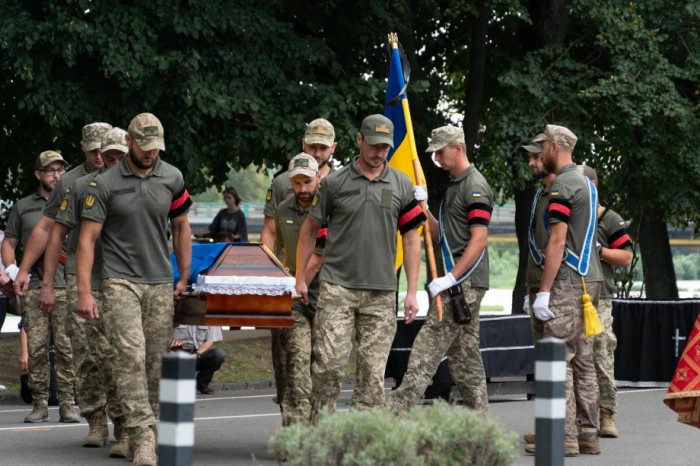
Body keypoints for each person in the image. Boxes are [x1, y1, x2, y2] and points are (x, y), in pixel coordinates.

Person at [77, 113, 192, 466]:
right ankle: (143, 439)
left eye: (156, 148)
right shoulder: (105, 183)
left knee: (154, 363)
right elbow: (87, 240)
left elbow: (182, 228)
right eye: (145, 148)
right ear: (129, 141)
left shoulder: (172, 177)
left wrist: (184, 277)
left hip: (159, 281)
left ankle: (144, 432)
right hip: (119, 281)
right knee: (129, 359)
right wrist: (84, 291)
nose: (151, 154)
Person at [295, 114, 424, 423]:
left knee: (372, 378)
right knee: (327, 368)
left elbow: (411, 238)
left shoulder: (401, 184)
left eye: (386, 147)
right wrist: (300, 277)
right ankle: (320, 438)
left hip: (381, 292)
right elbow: (310, 231)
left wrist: (411, 291)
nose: (380, 153)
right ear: (359, 140)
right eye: (375, 145)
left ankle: (361, 444)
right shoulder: (335, 183)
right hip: (337, 287)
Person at [385, 125, 493, 413]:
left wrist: (450, 278)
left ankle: (392, 412)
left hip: (462, 284)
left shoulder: (475, 186)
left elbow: (479, 239)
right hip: (458, 283)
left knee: (426, 350)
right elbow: (438, 236)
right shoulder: (456, 185)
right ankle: (479, 422)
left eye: (441, 151)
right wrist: (424, 208)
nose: (436, 158)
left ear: (458, 147)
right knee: (464, 357)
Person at [524, 124, 604, 456]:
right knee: (583, 360)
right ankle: (588, 434)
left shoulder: (560, 187)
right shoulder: (585, 182)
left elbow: (557, 242)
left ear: (554, 147)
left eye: (542, 147)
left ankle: (562, 437)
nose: (539, 154)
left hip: (565, 282)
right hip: (589, 279)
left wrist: (543, 291)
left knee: (558, 360)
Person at [49, 128, 129, 455]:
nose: (101, 158)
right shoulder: (78, 185)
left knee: (122, 355)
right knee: (85, 354)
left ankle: (126, 425)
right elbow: (56, 234)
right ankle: (96, 419)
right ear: (85, 150)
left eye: (108, 153)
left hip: (123, 280)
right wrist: (49, 284)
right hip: (85, 280)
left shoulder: (137, 186)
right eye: (97, 152)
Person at [260, 118, 337, 419]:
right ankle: (293, 423)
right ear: (303, 144)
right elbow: (270, 233)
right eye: (312, 146)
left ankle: (318, 427)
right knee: (289, 360)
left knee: (325, 363)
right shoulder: (281, 185)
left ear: (332, 148)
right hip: (290, 285)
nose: (317, 152)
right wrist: (267, 281)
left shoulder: (339, 186)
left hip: (326, 287)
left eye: (323, 147)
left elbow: (320, 255)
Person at [1, 150, 79, 423]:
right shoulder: (23, 207)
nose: (56, 175)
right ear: (38, 174)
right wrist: (13, 272)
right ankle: (40, 404)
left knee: (67, 349)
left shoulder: (73, 201)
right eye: (50, 170)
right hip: (34, 287)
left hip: (67, 284)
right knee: (35, 349)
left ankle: (68, 405)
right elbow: (8, 244)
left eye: (60, 170)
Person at [580, 165, 632, 439]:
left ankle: (607, 413)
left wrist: (600, 250)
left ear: (593, 186)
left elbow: (625, 258)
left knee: (601, 352)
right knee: (573, 358)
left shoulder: (609, 219)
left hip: (600, 298)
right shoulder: (572, 217)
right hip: (571, 294)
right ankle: (575, 419)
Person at [274, 153, 326, 425]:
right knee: (297, 364)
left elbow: (318, 258)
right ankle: (296, 429)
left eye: (307, 181)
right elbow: (283, 251)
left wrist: (298, 281)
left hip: (327, 296)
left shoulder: (330, 207)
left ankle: (317, 428)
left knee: (324, 369)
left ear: (318, 177)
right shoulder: (283, 208)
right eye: (297, 183)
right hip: (295, 298)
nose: (303, 189)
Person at [172, 325, 226, 394]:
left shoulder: (210, 316)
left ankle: (202, 384)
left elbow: (210, 340)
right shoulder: (178, 315)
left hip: (200, 350)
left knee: (218, 354)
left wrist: (197, 354)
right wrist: (174, 352)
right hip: (181, 349)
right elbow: (171, 337)